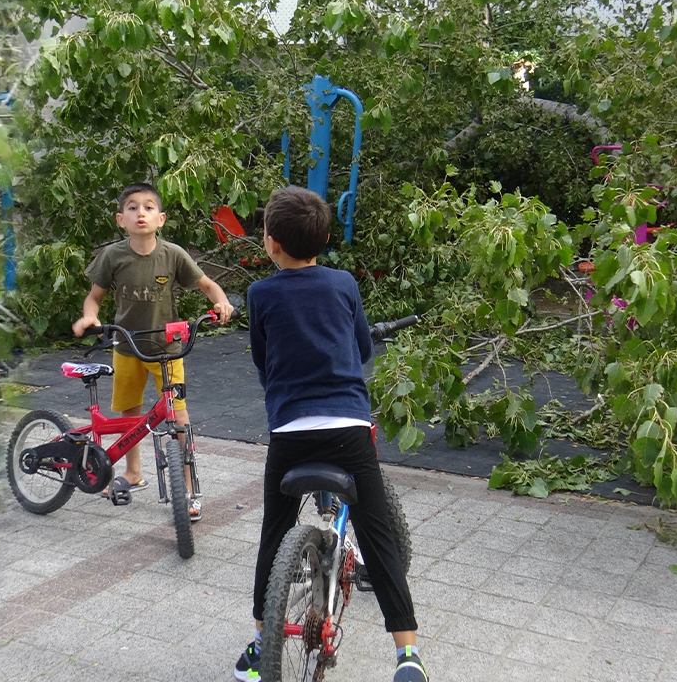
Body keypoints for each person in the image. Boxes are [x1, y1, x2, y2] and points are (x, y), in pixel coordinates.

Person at [234, 186, 428, 682]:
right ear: (322, 241)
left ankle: (260, 645)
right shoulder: (343, 283)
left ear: (271, 243)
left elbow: (263, 360)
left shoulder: (259, 294)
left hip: (290, 431)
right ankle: (407, 656)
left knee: (273, 535)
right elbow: (362, 347)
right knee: (377, 535)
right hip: (347, 428)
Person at [72, 182, 235, 521]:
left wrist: (220, 300)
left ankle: (190, 487)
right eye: (132, 207)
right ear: (121, 219)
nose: (140, 212)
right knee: (129, 412)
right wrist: (90, 316)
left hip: (167, 348)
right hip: (126, 346)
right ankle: (133, 472)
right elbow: (95, 297)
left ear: (160, 219)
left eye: (148, 207)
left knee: (178, 416)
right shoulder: (113, 256)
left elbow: (207, 284)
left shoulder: (173, 254)